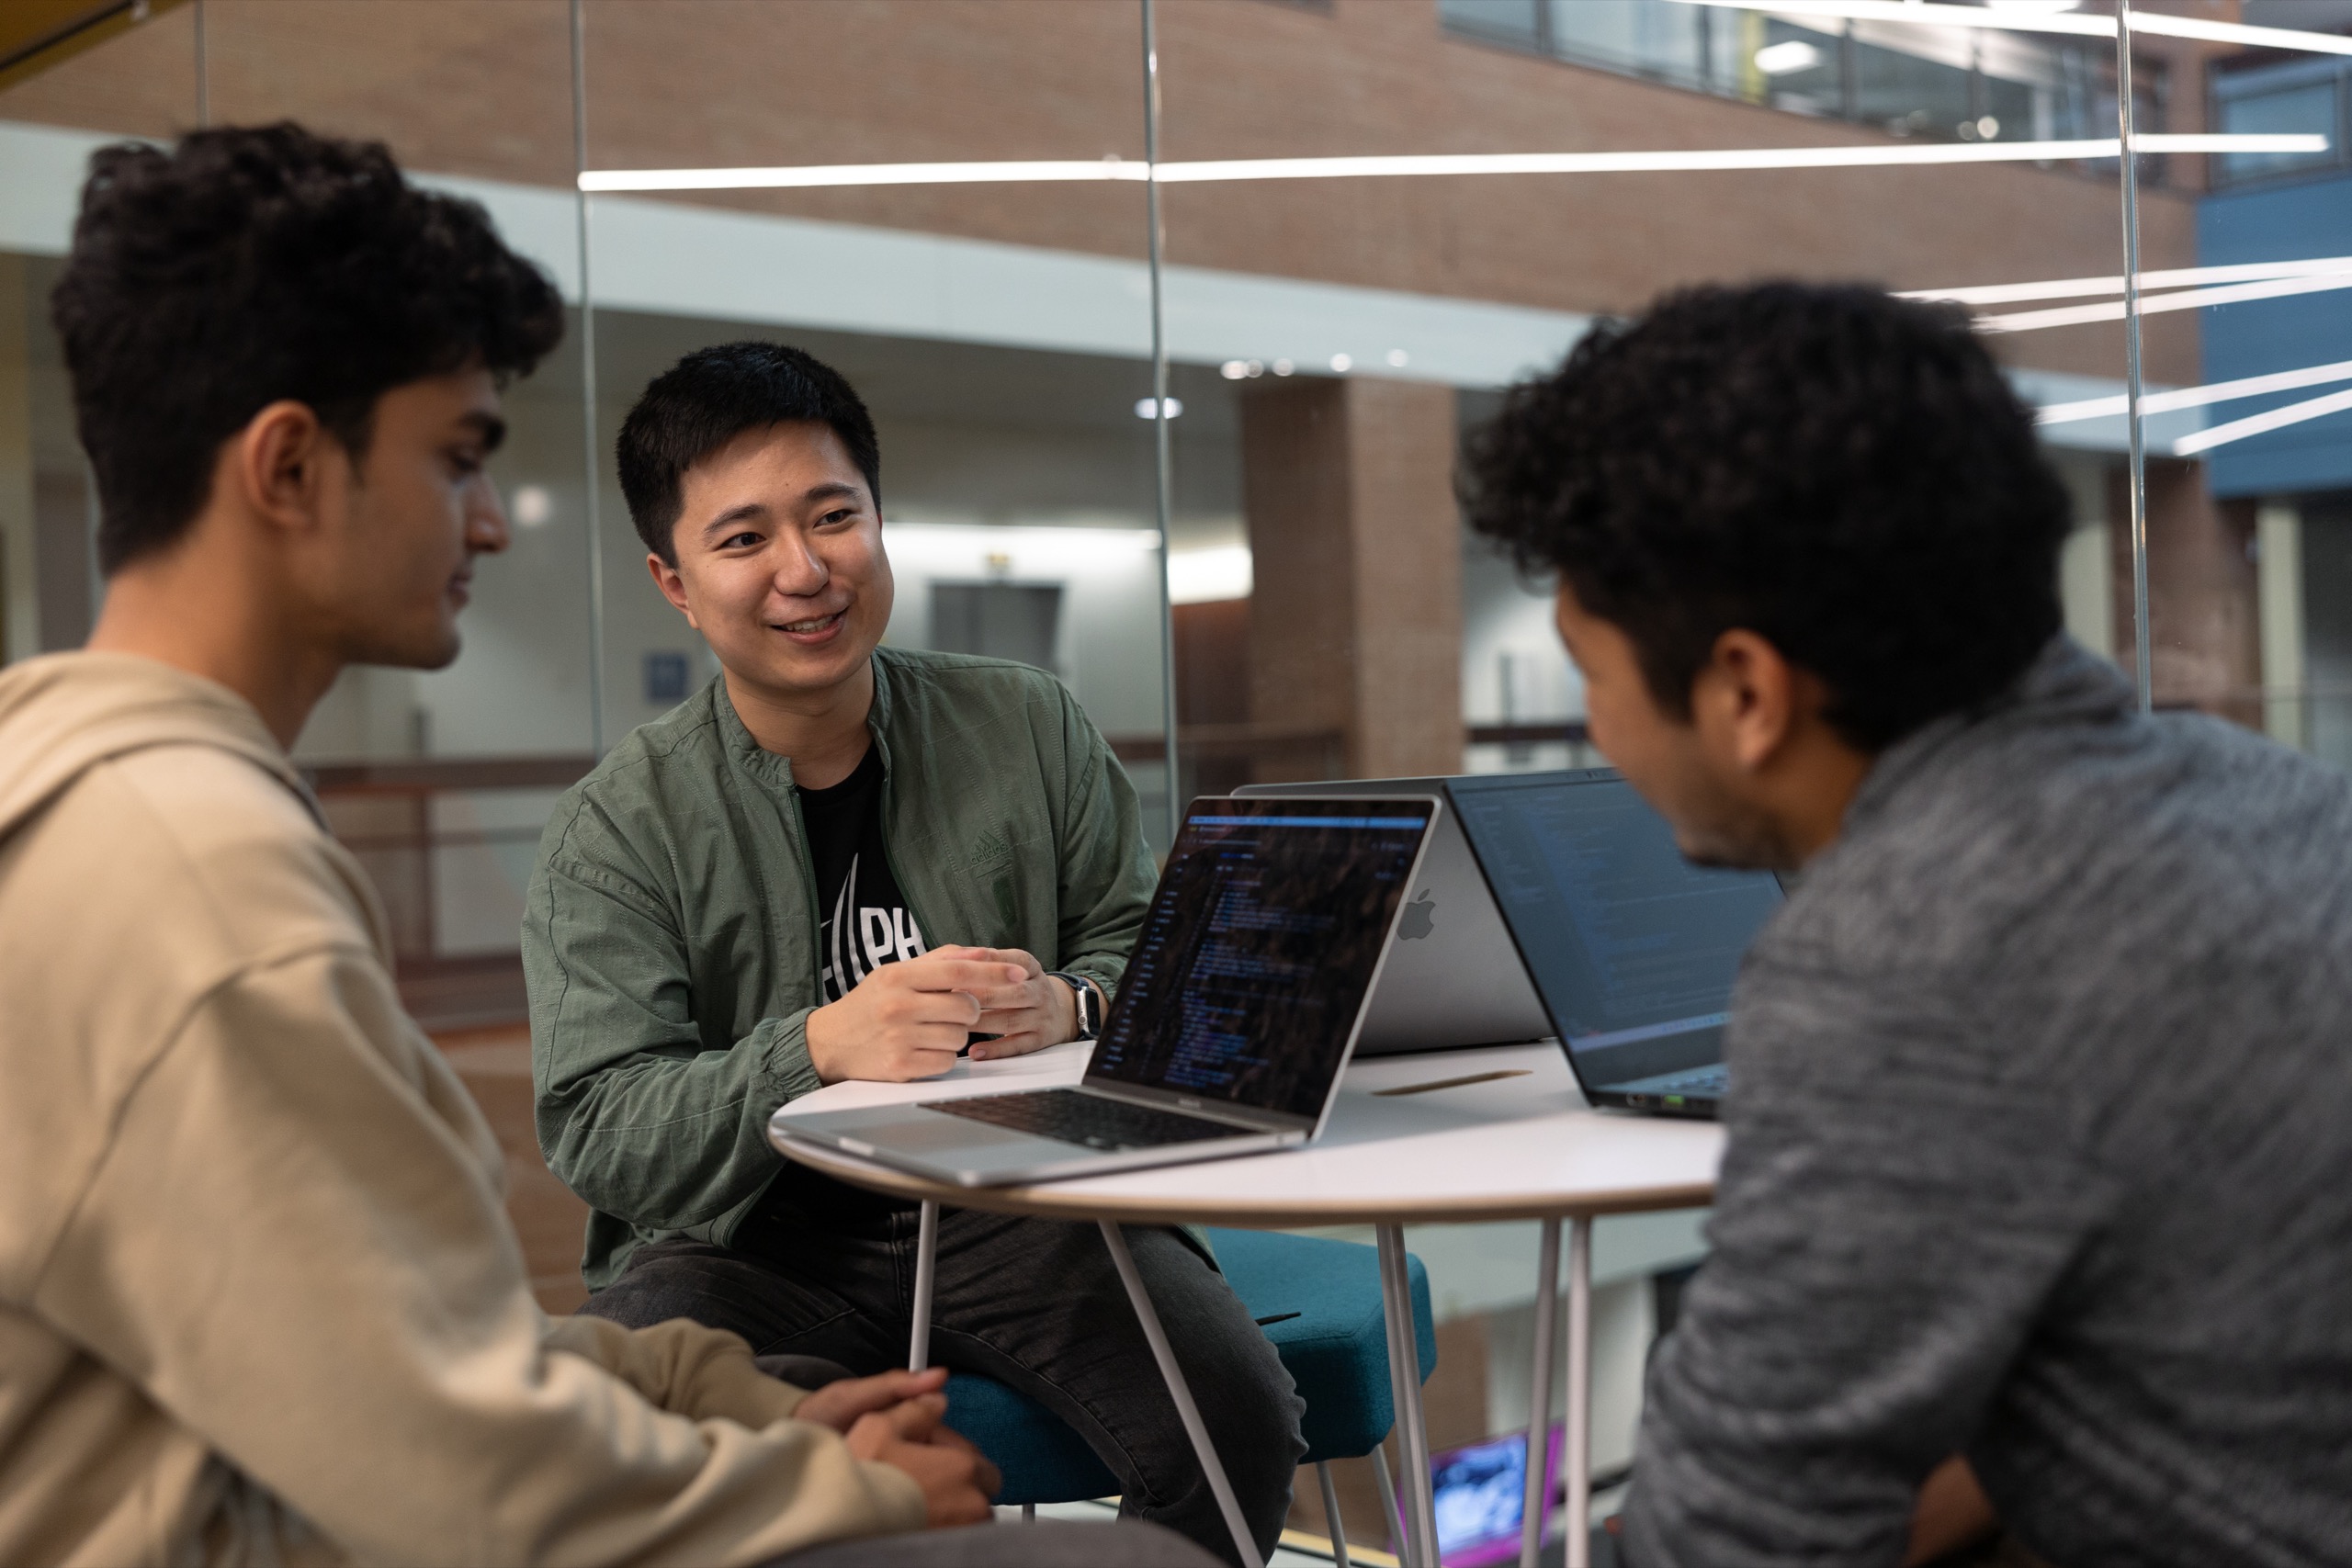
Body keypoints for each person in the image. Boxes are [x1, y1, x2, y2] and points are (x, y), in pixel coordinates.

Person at [0, 122, 1215, 1568]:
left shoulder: (87, 786)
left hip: (987, 1228)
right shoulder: (202, 884)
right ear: (288, 468)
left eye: (834, 517)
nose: (489, 527)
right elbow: (435, 1454)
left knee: (1209, 1419)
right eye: (456, 458)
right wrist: (837, 1490)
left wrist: (710, 1408)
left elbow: (414, 1352)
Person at [1461, 282, 2352, 1568]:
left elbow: (1736, 1540)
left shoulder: (1904, 960)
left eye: (1590, 676)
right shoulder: (2271, 798)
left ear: (1747, 692)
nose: (1595, 726)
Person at [520, 340, 1305, 1565]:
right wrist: (813, 1050)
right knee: (691, 1452)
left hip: (1013, 1200)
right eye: (744, 540)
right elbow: (600, 1126)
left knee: (1236, 1421)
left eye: (835, 517)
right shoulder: (615, 826)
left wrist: (1076, 1002)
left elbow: (1151, 944)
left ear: (880, 524)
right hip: (744, 1241)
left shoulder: (1026, 721)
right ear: (676, 583)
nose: (805, 569)